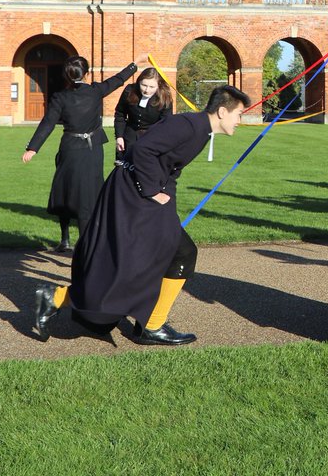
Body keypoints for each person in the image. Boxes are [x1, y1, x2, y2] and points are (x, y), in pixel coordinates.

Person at [33, 84, 250, 345]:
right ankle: (149, 324)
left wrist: (166, 204)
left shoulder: (201, 130)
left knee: (159, 256)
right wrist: (151, 192)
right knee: (150, 259)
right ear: (223, 111)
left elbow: (170, 169)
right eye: (239, 114)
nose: (240, 121)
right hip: (131, 195)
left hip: (142, 195)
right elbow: (143, 150)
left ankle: (61, 299)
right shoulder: (189, 126)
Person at [23, 56, 141, 252]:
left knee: (66, 190)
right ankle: (85, 245)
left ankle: (65, 239)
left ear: (67, 76)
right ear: (87, 74)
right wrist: (135, 64)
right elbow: (119, 79)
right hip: (92, 149)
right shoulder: (96, 91)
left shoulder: (59, 97)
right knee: (88, 195)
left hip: (70, 147)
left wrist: (33, 148)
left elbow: (48, 123)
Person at [113, 67, 173, 155]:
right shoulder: (129, 91)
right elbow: (120, 114)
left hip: (152, 138)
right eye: (144, 85)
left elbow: (165, 123)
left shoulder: (165, 97)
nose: (146, 90)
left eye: (152, 87)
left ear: (158, 86)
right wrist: (119, 136)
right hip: (129, 136)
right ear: (139, 82)